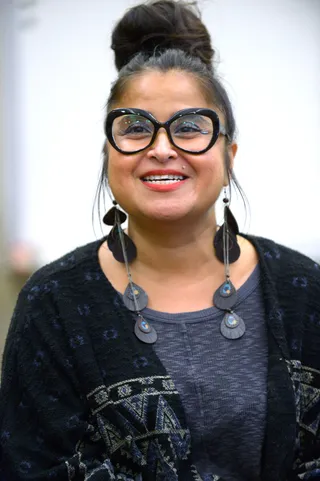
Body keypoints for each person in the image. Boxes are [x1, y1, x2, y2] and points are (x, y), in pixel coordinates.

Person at [1, 0, 320, 479]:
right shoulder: (53, 303)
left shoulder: (304, 290)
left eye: (190, 127)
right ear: (109, 156)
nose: (163, 148)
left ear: (229, 155)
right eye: (135, 129)